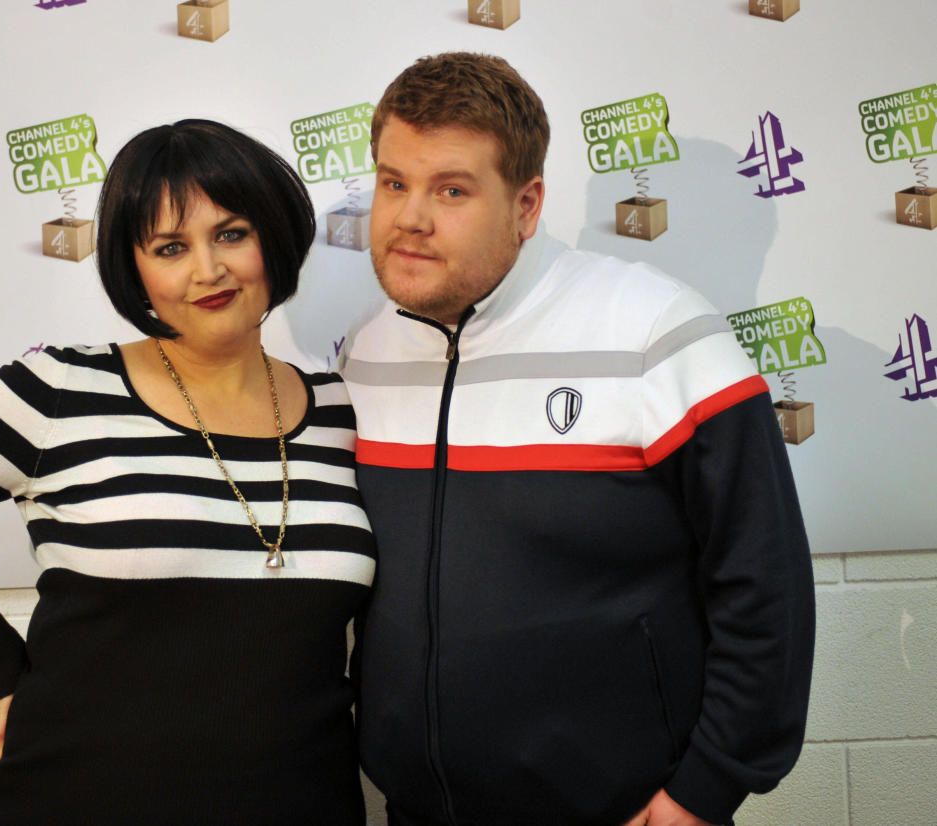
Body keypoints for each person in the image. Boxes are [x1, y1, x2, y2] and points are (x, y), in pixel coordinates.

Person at [0, 119, 375, 825]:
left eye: (231, 233)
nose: (208, 269)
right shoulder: (60, 389)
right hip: (67, 798)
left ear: (276, 236)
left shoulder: (340, 409)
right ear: (132, 267)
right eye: (170, 247)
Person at [341, 53, 815, 826]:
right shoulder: (364, 351)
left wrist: (703, 791)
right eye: (394, 183)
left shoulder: (657, 333)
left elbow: (764, 583)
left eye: (451, 190)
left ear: (526, 205)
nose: (409, 219)